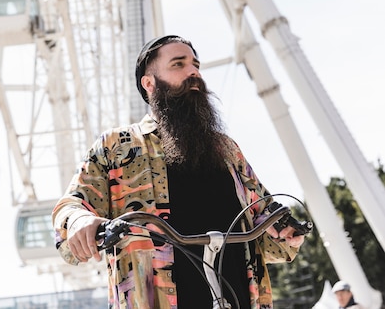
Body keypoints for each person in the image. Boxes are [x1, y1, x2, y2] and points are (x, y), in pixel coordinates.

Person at [52, 34, 306, 309]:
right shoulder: (117, 146)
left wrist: (287, 232)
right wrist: (79, 221)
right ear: (149, 83)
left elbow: (266, 227)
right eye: (178, 64)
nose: (193, 72)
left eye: (196, 64)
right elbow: (70, 206)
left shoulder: (227, 150)